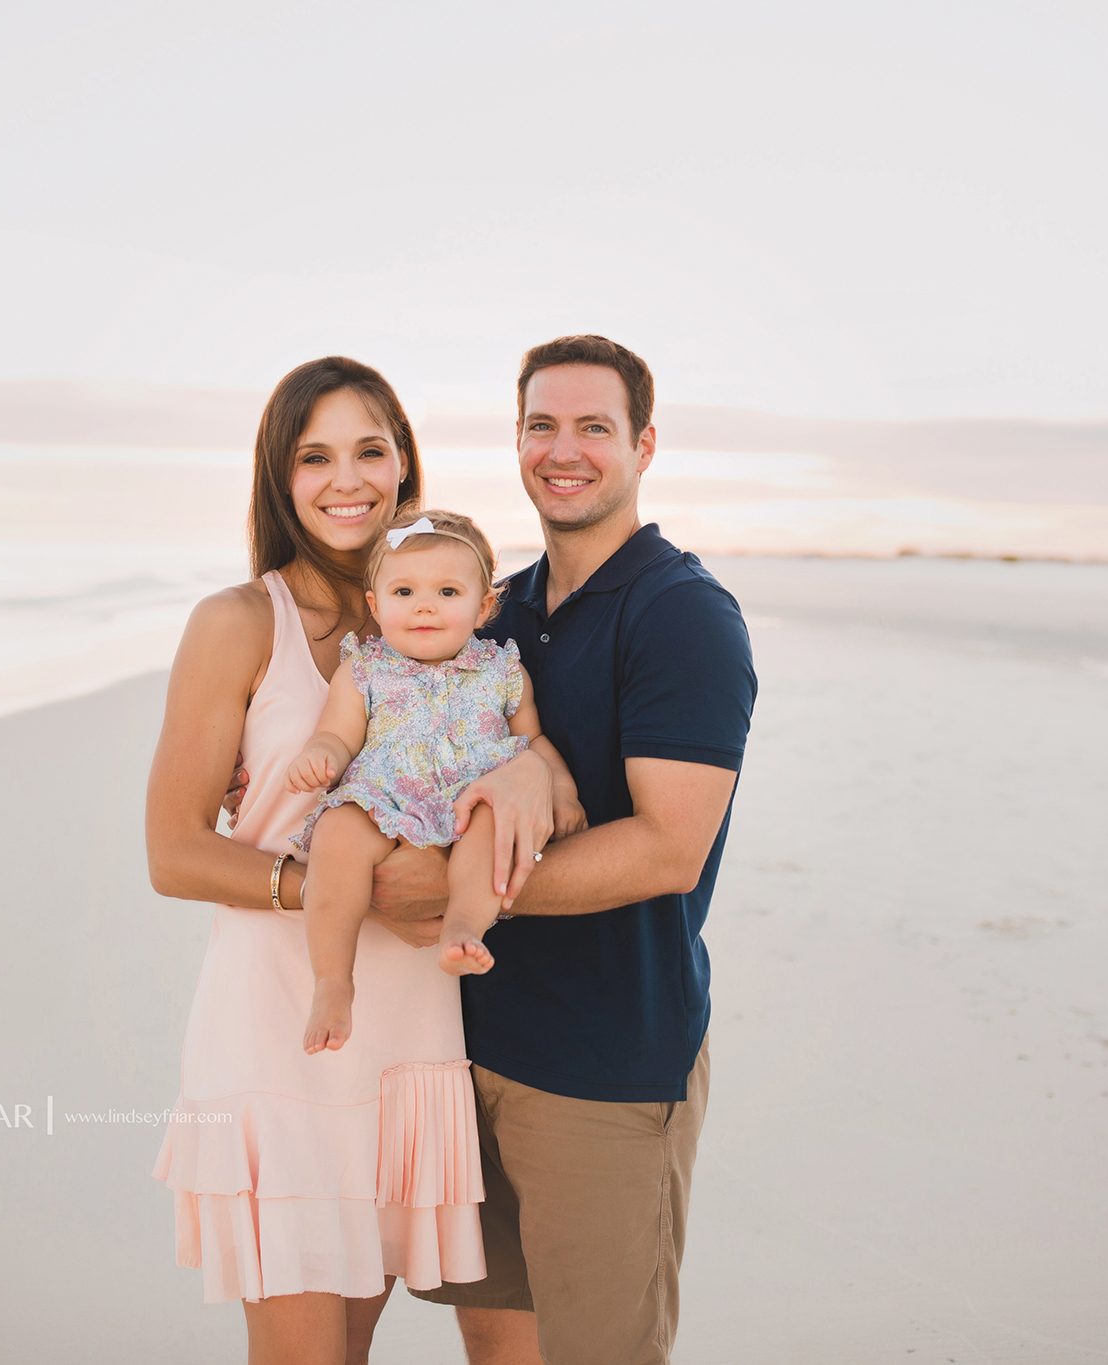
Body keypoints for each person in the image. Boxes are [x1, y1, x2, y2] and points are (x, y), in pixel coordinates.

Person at [144, 357, 561, 1365]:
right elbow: (172, 851)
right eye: (313, 455)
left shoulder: (450, 624)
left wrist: (531, 784)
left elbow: (527, 752)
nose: (347, 478)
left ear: (404, 465)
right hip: (283, 1030)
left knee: (353, 1343)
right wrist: (352, 891)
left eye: (370, 449)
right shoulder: (241, 623)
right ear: (278, 479)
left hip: (412, 1033)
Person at [392, 336, 758, 1365]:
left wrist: (455, 893)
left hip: (605, 1070)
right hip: (472, 1049)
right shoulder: (497, 612)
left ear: (642, 445)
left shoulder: (680, 615)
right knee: (497, 1346)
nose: (565, 450)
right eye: (541, 425)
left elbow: (666, 850)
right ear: (515, 440)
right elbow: (408, 744)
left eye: (594, 427)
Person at [284, 508, 584, 1054]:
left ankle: (463, 927)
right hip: (388, 799)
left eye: (447, 592)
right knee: (337, 837)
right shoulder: (364, 668)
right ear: (375, 604)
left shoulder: (501, 670)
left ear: (484, 605)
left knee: (491, 828)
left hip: (474, 796)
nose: (424, 606)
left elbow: (535, 743)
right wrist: (321, 754)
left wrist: (561, 789)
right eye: (403, 592)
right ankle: (332, 980)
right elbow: (339, 733)